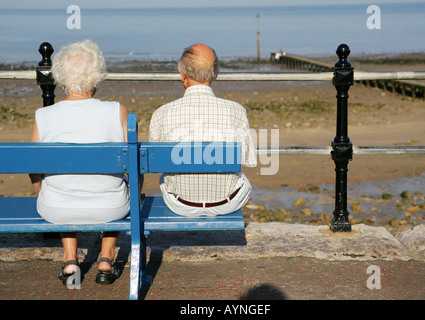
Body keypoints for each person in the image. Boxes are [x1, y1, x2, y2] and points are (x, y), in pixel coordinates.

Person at [29, 39, 129, 285]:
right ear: (96, 76)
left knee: (60, 186)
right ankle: (106, 258)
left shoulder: (44, 115)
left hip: (57, 208)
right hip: (111, 207)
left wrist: (40, 190)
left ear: (61, 77)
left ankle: (70, 259)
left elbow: (33, 168)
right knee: (118, 186)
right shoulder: (117, 110)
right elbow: (131, 166)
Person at [149, 43, 257, 217]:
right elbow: (248, 159)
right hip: (226, 202)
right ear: (216, 72)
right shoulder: (236, 111)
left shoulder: (162, 114)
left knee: (166, 177)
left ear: (182, 74)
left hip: (181, 203)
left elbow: (155, 163)